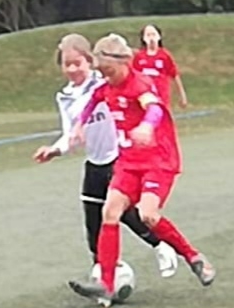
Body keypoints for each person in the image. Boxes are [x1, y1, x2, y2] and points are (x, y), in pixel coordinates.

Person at [67, 34, 216, 307]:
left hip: (158, 161)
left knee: (148, 215)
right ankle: (106, 284)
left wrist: (147, 125)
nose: (106, 77)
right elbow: (92, 102)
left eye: (109, 71)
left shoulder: (140, 84)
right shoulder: (106, 87)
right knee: (110, 211)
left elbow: (154, 107)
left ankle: (193, 257)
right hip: (128, 162)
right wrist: (78, 126)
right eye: (102, 72)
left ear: (123, 62)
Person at [33, 34, 180, 280]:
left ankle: (162, 246)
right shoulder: (65, 97)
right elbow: (71, 134)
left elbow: (129, 77)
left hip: (119, 159)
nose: (72, 69)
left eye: (77, 63)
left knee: (125, 213)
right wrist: (55, 150)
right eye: (67, 64)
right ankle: (102, 274)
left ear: (90, 61)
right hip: (94, 164)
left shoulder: (105, 82)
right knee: (93, 222)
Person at [133, 24, 188, 109]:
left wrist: (182, 95)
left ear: (159, 37)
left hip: (162, 96)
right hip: (145, 97)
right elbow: (134, 77)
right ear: (143, 38)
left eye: (153, 34)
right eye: (148, 35)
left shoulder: (164, 55)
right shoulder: (139, 57)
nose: (151, 38)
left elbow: (174, 75)